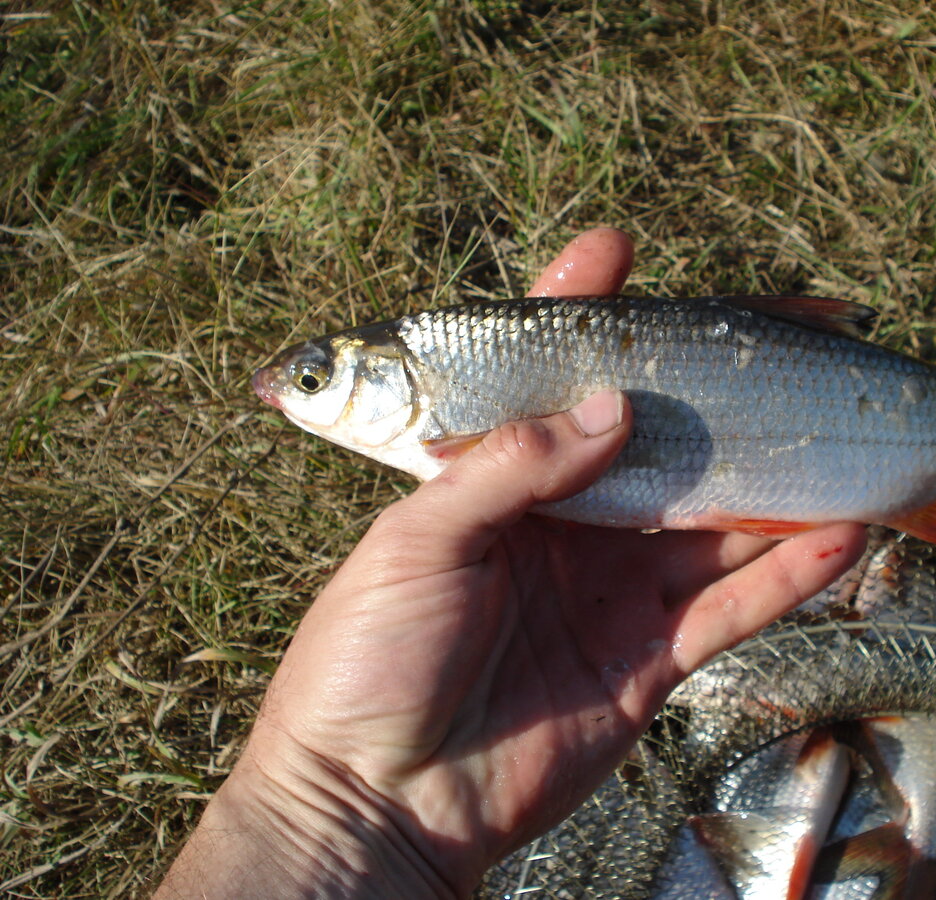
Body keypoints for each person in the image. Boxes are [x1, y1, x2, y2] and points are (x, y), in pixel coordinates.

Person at [154, 228, 867, 899]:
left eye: (313, 380)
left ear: (396, 374)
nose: (287, 394)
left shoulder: (446, 405)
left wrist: (324, 804)